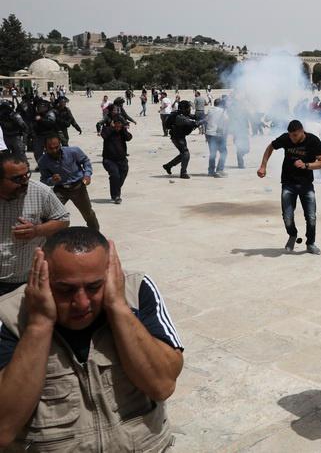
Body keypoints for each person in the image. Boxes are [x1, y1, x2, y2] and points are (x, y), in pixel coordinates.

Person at [0, 227, 183, 450]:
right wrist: (39, 324)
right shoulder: (8, 314)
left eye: (94, 287)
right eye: (65, 289)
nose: (82, 303)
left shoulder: (136, 291)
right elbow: (4, 428)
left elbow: (162, 385)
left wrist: (118, 306)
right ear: (42, 275)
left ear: (110, 273)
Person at [0, 153, 71, 296]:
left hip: (28, 280)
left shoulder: (40, 191)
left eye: (27, 175)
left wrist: (37, 230)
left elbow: (63, 219)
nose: (25, 181)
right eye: (17, 178)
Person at [258, 120, 321, 255]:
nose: (292, 138)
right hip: (288, 183)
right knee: (287, 216)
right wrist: (263, 166)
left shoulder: (313, 141)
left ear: (302, 131)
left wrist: (306, 165)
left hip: (306, 185)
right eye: (290, 135)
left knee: (311, 216)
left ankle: (310, 243)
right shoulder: (286, 138)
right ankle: (292, 235)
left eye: (295, 135)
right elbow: (270, 147)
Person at [38, 134, 100, 231]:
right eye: (50, 148)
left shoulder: (73, 151)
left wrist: (87, 175)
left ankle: (96, 234)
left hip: (78, 188)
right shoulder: (43, 161)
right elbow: (44, 180)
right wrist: (52, 180)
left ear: (60, 144)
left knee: (88, 213)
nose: (54, 150)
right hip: (60, 190)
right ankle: (52, 239)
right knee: (50, 214)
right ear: (45, 148)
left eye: (56, 147)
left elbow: (86, 162)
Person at [162, 100, 200, 180]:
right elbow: (191, 123)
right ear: (184, 108)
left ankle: (168, 166)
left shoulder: (181, 114)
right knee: (186, 153)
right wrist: (202, 121)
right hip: (177, 138)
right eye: (188, 107)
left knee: (183, 154)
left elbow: (191, 116)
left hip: (179, 137)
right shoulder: (180, 117)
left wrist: (199, 116)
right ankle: (183, 173)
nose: (189, 109)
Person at [100, 116, 131, 204]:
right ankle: (116, 196)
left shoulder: (122, 132)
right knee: (115, 175)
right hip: (109, 160)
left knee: (123, 175)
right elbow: (104, 136)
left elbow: (129, 138)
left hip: (122, 159)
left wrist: (124, 129)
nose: (117, 128)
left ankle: (115, 189)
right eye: (116, 126)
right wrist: (112, 128)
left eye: (119, 126)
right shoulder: (107, 130)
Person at [204, 98, 229, 177]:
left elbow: (206, 120)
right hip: (218, 134)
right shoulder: (223, 111)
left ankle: (211, 171)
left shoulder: (210, 110)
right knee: (224, 152)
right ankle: (219, 170)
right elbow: (226, 122)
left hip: (209, 134)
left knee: (212, 154)